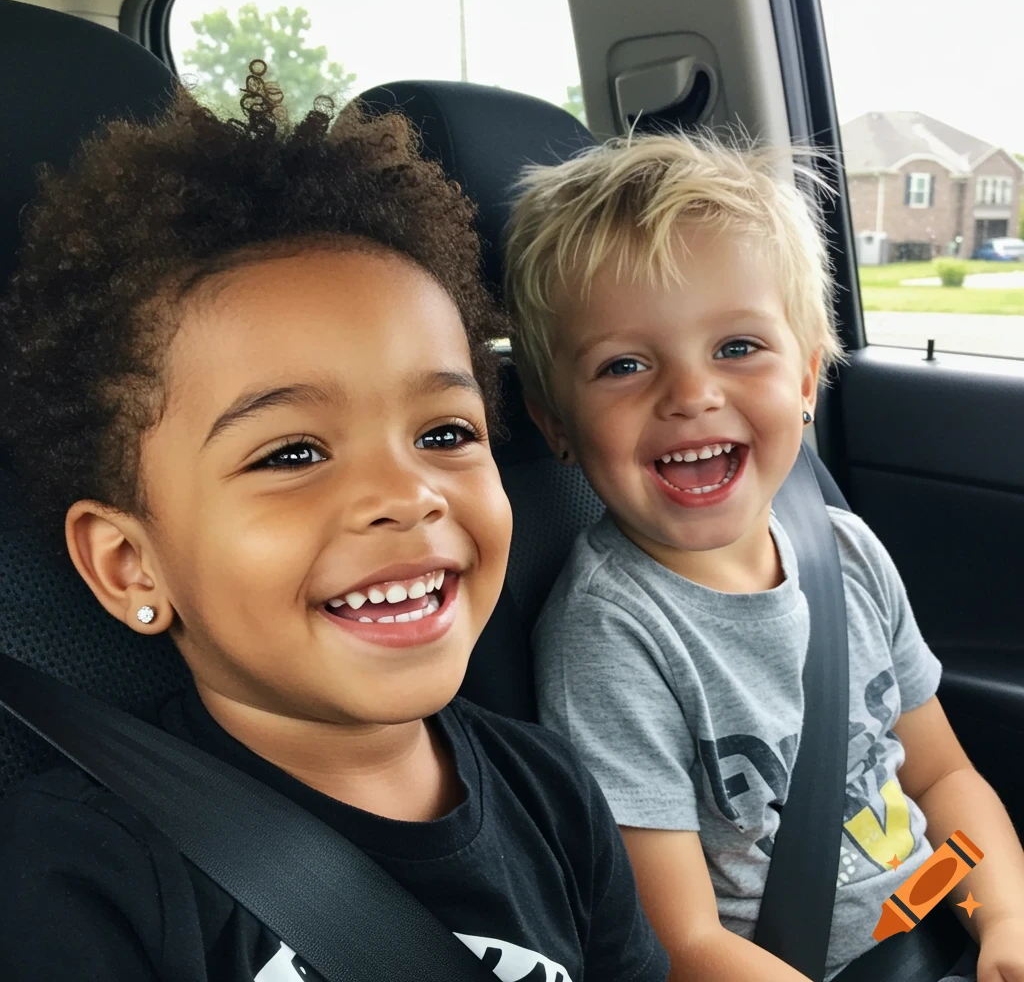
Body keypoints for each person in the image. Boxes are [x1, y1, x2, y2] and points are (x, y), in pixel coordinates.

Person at [0, 64, 669, 982]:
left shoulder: (551, 789)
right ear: (129, 565)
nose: (408, 493)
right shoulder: (79, 873)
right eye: (291, 454)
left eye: (444, 433)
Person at [503, 130, 1024, 982]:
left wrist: (1002, 917)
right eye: (624, 365)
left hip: (936, 919)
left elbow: (940, 777)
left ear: (808, 378)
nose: (691, 394)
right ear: (555, 423)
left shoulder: (846, 554)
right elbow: (683, 942)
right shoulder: (607, 634)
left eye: (737, 348)